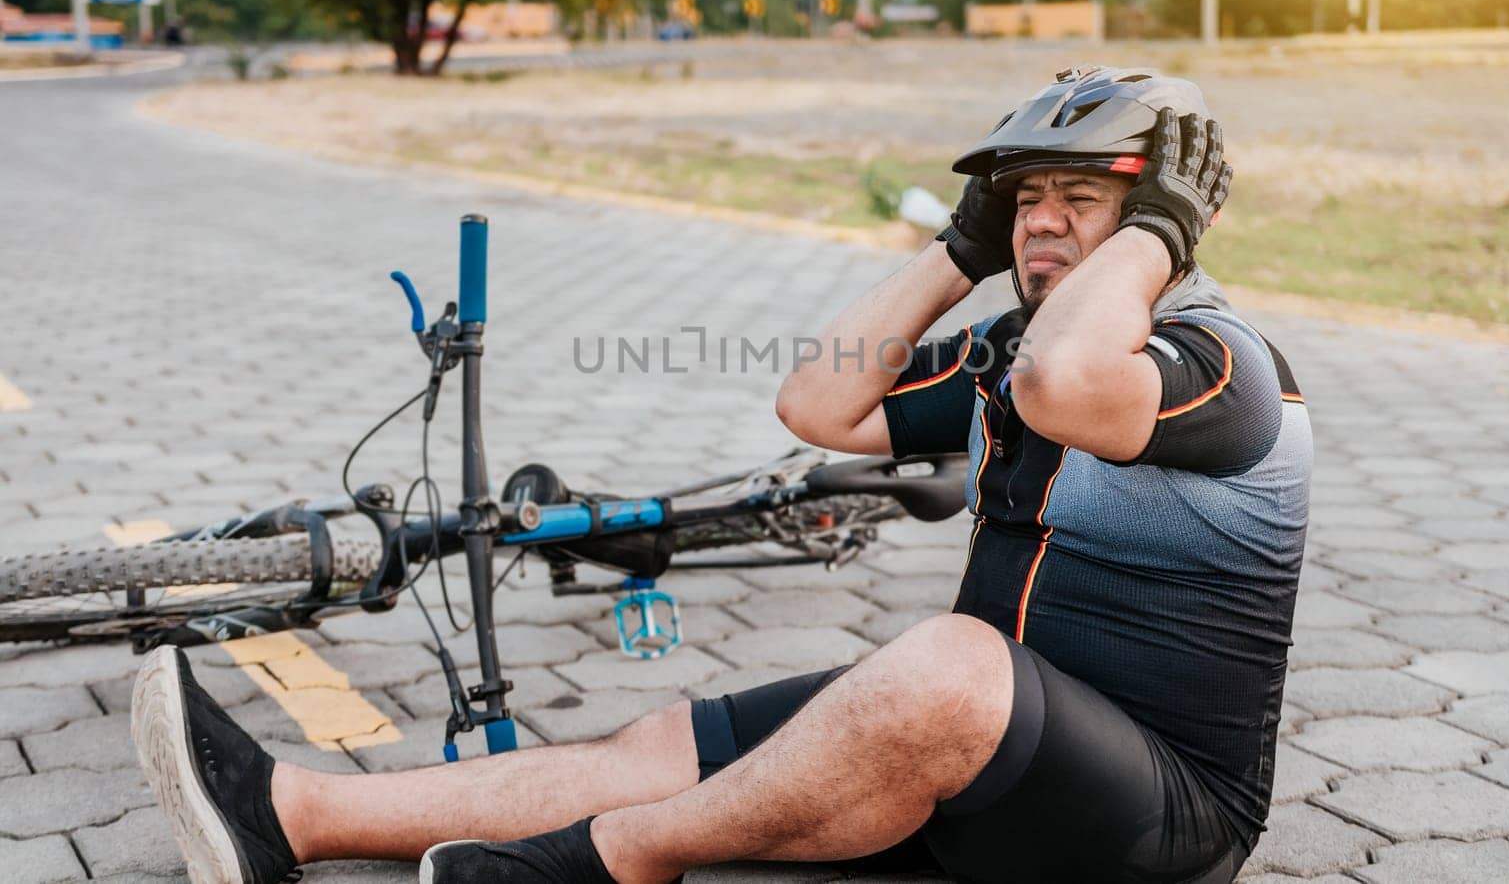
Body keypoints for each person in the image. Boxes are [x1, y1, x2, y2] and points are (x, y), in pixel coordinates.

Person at [131, 66, 1310, 884]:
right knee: (661, 739)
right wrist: (956, 252)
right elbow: (816, 401)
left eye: (1081, 199)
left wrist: (1159, 231)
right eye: (1027, 201)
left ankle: (614, 859)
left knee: (945, 661)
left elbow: (1065, 385)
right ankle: (290, 815)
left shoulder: (1219, 365)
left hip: (1153, 824)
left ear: (1155, 216)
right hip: (993, 771)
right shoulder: (1014, 343)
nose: (1040, 226)